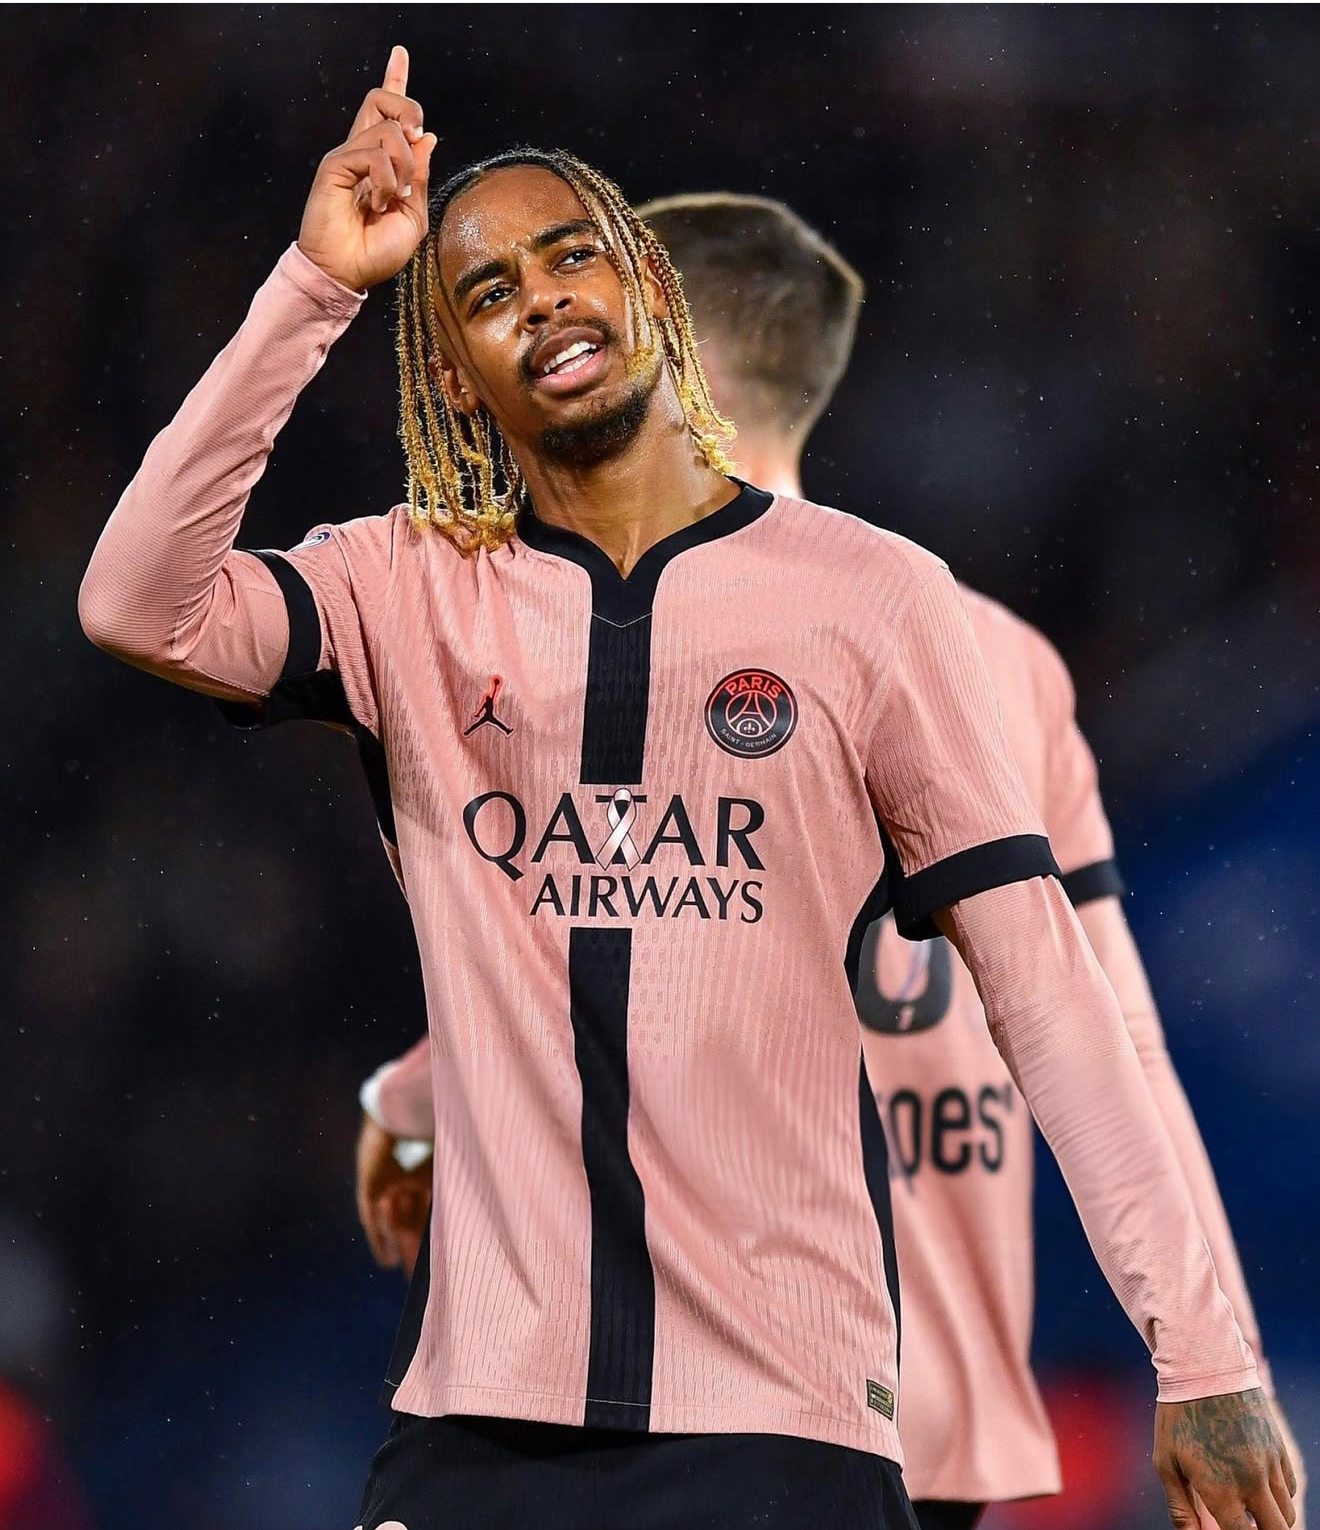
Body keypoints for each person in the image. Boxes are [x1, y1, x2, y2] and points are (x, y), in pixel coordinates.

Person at [78, 48, 1296, 1530]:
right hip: (476, 1432)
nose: (542, 300)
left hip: (779, 1430)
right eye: (487, 292)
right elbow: (136, 601)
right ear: (455, 374)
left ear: (648, 282)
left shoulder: (870, 599)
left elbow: (1044, 990)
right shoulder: (402, 591)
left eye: (569, 255)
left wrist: (1202, 1355)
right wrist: (315, 286)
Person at [352, 192, 1308, 1530]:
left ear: (671, 340)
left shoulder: (638, 637)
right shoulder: (998, 656)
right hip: (924, 1405)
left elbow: (614, 968)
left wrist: (405, 1101)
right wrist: (1211, 1355)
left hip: (728, 1392)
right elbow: (1109, 1031)